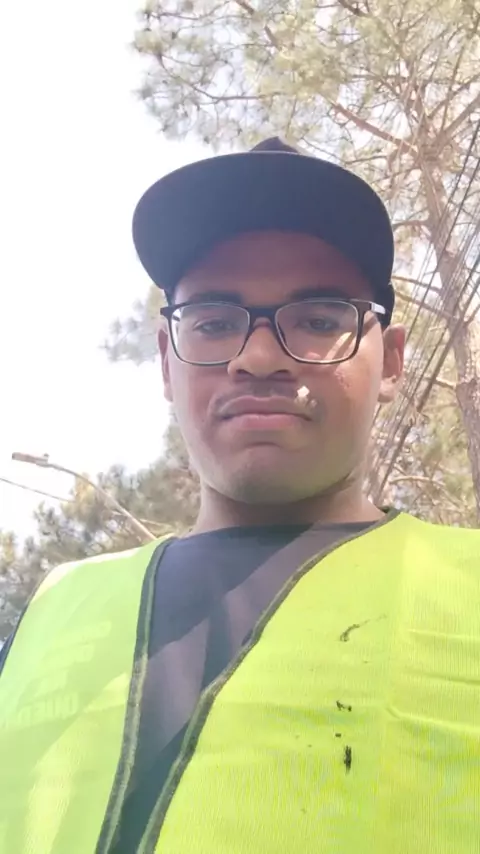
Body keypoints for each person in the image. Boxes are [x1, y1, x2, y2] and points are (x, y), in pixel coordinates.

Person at [0, 138, 479, 854]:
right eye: (214, 322)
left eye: (319, 319)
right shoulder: (47, 614)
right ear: (167, 363)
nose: (257, 358)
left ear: (392, 361)